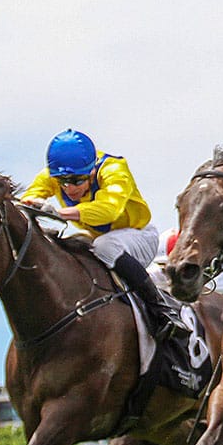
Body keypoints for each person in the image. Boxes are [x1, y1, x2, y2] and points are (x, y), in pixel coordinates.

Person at [20, 129, 188, 340]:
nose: (69, 188)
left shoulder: (115, 169)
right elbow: (29, 197)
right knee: (70, 247)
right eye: (63, 181)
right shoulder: (55, 174)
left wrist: (60, 213)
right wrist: (31, 204)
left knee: (104, 246)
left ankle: (163, 309)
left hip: (139, 236)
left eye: (77, 180)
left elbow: (109, 210)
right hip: (102, 240)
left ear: (91, 171)